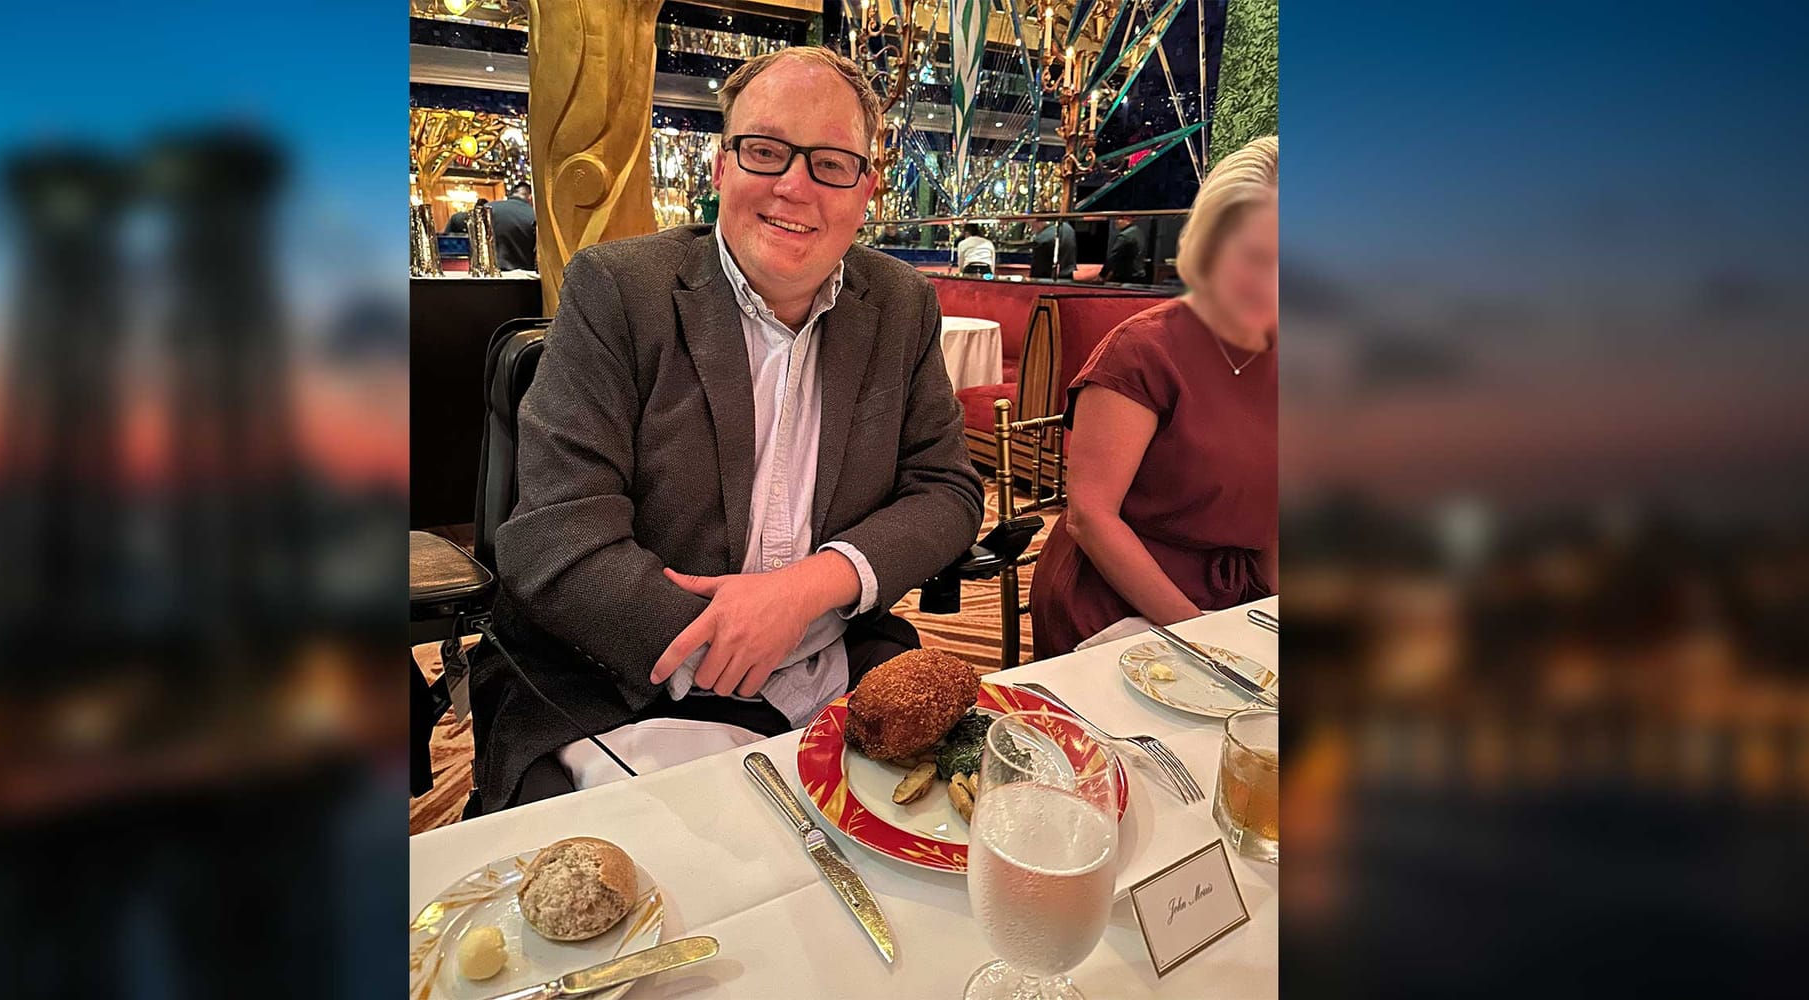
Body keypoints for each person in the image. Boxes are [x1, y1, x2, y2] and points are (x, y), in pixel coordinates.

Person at [469, 45, 985, 811]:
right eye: (766, 151)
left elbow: (946, 490)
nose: (794, 186)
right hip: (622, 676)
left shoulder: (903, 303)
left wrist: (804, 592)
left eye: (832, 163)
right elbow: (555, 536)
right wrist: (730, 641)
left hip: (833, 656)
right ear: (721, 168)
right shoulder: (616, 290)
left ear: (866, 190)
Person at [1029, 136, 1279, 659]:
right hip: (1122, 599)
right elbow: (1091, 516)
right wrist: (1208, 640)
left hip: (1236, 597)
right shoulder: (1144, 352)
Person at [489, 181, 539, 271]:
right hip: (523, 280)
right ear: (531, 197)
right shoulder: (535, 214)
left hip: (485, 278)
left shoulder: (489, 208)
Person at [1101, 215, 1150, 284]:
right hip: (1139, 274)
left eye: (1119, 218)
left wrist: (1102, 275)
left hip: (1127, 277)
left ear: (1128, 219)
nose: (1116, 221)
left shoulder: (1125, 236)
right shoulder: (1138, 231)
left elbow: (1113, 257)